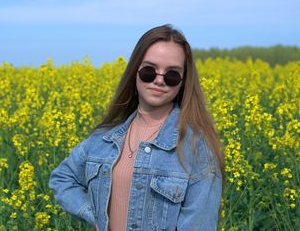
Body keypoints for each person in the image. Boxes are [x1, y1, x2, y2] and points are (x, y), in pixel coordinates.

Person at [49, 24, 224, 231]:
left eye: (172, 75)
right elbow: (62, 178)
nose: (159, 80)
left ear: (183, 82)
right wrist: (95, 216)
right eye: (150, 71)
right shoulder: (104, 138)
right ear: (135, 71)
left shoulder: (196, 147)